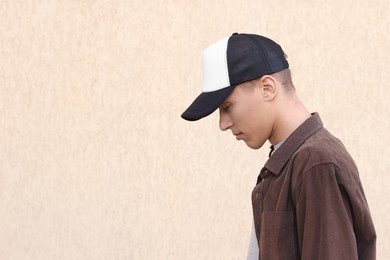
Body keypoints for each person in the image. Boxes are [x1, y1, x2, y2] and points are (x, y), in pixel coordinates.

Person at [181, 33, 376, 259]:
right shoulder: (289, 163)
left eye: (227, 106)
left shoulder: (316, 164)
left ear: (267, 88)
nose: (223, 124)